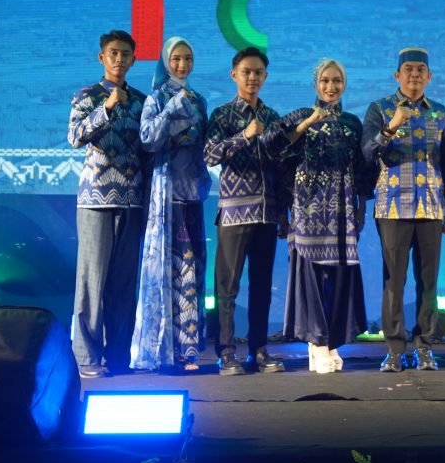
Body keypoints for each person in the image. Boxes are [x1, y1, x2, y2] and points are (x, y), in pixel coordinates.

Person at [261, 59, 368, 374]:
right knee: (312, 278)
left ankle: (330, 341)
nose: (331, 87)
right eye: (325, 80)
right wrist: (307, 123)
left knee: (339, 277)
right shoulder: (300, 115)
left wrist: (361, 207)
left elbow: (361, 169)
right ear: (315, 84)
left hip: (342, 210)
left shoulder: (352, 123)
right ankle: (316, 342)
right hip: (308, 209)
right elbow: (270, 147)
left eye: (337, 81)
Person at [362, 47, 445, 373]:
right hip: (392, 206)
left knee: (428, 282)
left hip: (431, 206)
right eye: (409, 69)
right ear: (397, 75)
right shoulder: (380, 109)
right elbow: (367, 153)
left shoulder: (441, 114)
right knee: (394, 281)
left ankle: (424, 347)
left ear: (429, 76)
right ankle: (394, 350)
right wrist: (391, 126)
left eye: (420, 70)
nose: (415, 75)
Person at [68, 30, 147, 379]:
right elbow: (75, 137)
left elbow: (146, 149)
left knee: (124, 285)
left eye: (125, 54)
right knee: (91, 283)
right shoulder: (86, 96)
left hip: (132, 200)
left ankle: (118, 358)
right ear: (102, 57)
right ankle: (87, 359)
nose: (119, 59)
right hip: (95, 200)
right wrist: (107, 107)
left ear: (133, 59)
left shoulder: (142, 100)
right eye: (113, 53)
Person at [204, 47, 287, 375]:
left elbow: (281, 167)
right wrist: (244, 135)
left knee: (262, 287)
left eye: (258, 73)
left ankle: (259, 349)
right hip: (234, 212)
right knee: (227, 288)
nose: (252, 78)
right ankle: (226, 352)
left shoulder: (272, 116)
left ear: (265, 76)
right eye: (246, 72)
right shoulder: (222, 115)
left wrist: (283, 213)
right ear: (234, 75)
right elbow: (210, 155)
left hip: (267, 214)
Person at [131, 36, 211, 372]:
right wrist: (171, 109)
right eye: (176, 58)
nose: (182, 64)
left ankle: (189, 348)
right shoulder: (156, 98)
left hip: (193, 194)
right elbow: (148, 139)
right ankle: (165, 347)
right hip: (167, 197)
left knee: (195, 270)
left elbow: (205, 146)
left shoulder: (199, 100)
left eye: (187, 58)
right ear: (166, 62)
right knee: (176, 270)